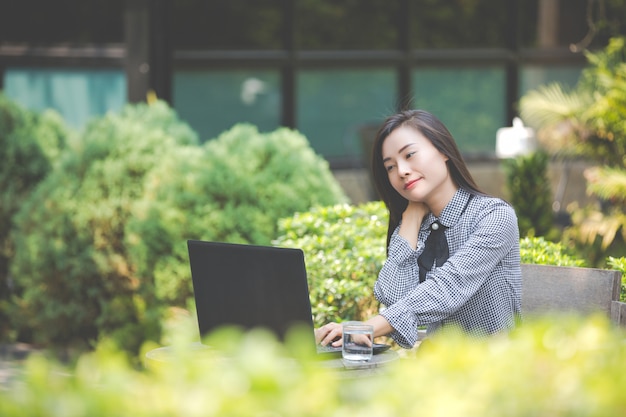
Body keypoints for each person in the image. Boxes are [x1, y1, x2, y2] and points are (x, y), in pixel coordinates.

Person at [315, 109, 522, 349]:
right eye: (390, 167)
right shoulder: (414, 227)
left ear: (443, 150)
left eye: (410, 155)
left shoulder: (494, 216)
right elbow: (393, 297)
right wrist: (410, 221)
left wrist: (366, 327)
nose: (401, 171)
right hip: (436, 372)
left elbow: (448, 286)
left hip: (495, 370)